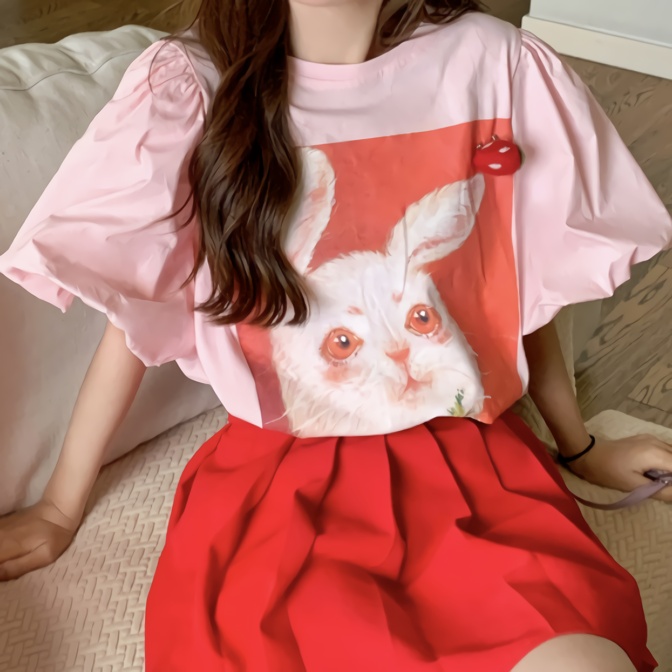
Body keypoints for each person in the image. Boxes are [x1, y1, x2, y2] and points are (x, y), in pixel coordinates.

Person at [0, 0, 671, 669]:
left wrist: (579, 445)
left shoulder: (496, 64)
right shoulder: (191, 87)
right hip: (282, 490)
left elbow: (520, 286)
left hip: (475, 468)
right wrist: (60, 505)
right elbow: (135, 316)